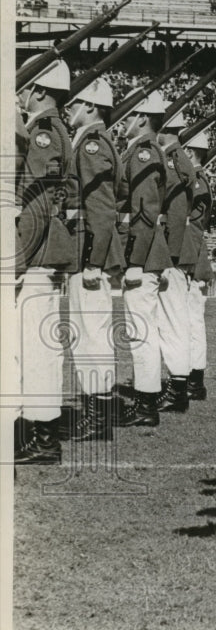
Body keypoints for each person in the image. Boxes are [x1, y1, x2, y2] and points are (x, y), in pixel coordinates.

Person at [14, 58, 76, 464]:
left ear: (38, 90)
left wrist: (15, 259)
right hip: (43, 253)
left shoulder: (43, 133)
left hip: (34, 254)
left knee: (33, 349)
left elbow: (34, 203)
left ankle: (42, 438)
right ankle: (37, 434)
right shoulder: (54, 131)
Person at [64, 77, 126, 441]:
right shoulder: (90, 141)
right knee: (86, 336)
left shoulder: (91, 144)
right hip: (85, 251)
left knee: (92, 336)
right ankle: (94, 412)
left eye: (75, 104)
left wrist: (93, 261)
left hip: (89, 253)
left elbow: (101, 209)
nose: (69, 109)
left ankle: (98, 417)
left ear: (91, 106)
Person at [114, 90, 173, 428]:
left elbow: (145, 209)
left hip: (142, 253)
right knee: (141, 329)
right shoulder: (141, 150)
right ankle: (144, 400)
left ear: (141, 117)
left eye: (130, 114)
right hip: (144, 251)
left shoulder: (143, 152)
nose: (124, 121)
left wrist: (135, 260)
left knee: (141, 330)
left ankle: (146, 405)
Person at [156, 106, 198, 413]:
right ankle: (177, 386)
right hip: (174, 249)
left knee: (173, 322)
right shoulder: (177, 158)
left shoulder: (172, 160)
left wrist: (167, 253)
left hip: (172, 250)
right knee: (173, 320)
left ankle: (177, 388)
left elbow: (173, 213)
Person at [183, 129, 214, 400]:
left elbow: (192, 226)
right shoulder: (196, 178)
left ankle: (194, 380)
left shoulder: (196, 180)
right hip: (192, 254)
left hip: (193, 256)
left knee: (193, 322)